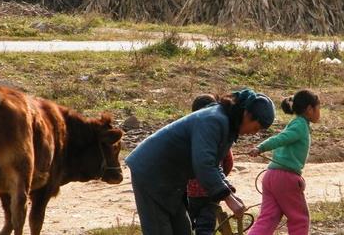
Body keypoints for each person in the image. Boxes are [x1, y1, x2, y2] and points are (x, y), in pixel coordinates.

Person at [125, 88, 276, 235]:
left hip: (172, 179)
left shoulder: (229, 126)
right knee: (159, 229)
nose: (253, 133)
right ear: (247, 114)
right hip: (151, 172)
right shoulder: (213, 120)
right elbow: (203, 164)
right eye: (256, 127)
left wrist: (228, 190)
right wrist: (228, 198)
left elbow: (214, 164)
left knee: (183, 229)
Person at [247, 89, 321, 235]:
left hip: (271, 176)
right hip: (285, 178)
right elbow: (281, 138)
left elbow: (282, 137)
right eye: (318, 108)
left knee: (268, 218)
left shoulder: (296, 123)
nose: (320, 112)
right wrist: (261, 147)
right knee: (299, 219)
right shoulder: (300, 125)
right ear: (309, 109)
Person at [186, 94, 235, 235]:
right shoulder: (219, 133)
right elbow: (228, 162)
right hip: (212, 192)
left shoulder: (187, 132)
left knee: (184, 225)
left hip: (189, 192)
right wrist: (218, 180)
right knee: (206, 228)